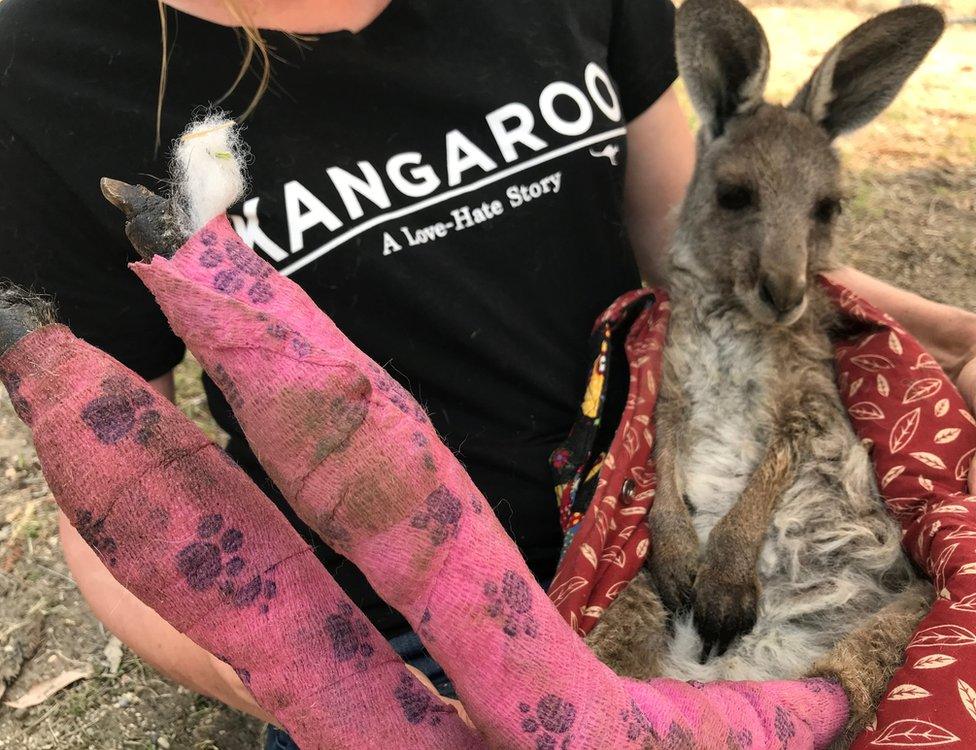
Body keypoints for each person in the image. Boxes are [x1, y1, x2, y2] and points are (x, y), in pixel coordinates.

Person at [0, 1, 973, 748]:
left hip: (651, 525)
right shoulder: (41, 70)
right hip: (393, 637)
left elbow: (687, 232)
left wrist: (934, 336)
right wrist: (348, 688)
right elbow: (118, 496)